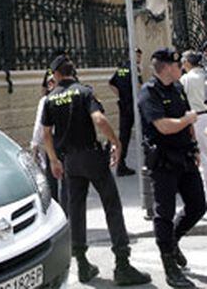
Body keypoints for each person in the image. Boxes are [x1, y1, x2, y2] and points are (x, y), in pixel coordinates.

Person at [42, 54, 151, 286]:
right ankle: (122, 264)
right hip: (92, 156)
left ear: (56, 75)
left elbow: (45, 134)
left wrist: (53, 160)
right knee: (112, 205)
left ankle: (82, 264)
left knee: (76, 209)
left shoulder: (50, 99)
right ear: (72, 71)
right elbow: (99, 119)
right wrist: (116, 142)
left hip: (70, 160)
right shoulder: (84, 92)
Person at [138, 48, 206, 288]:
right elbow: (163, 126)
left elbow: (186, 119)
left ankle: (173, 240)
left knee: (198, 205)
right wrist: (187, 120)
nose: (181, 68)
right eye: (177, 65)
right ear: (166, 68)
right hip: (164, 162)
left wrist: (195, 147)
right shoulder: (149, 93)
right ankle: (169, 266)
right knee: (163, 213)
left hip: (185, 157)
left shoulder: (178, 88)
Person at [109, 47, 143, 176]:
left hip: (124, 105)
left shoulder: (122, 68)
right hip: (133, 105)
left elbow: (111, 83)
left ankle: (120, 164)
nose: (139, 59)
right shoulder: (135, 69)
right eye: (138, 56)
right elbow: (139, 87)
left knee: (124, 136)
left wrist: (121, 95)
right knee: (144, 133)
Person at [180, 51, 207, 207]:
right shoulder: (204, 75)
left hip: (195, 119)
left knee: (202, 156)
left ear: (188, 63)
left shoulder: (186, 79)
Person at [30, 69, 59, 200]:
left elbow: (39, 126)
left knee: (52, 174)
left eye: (52, 81)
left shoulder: (46, 100)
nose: (50, 84)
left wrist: (34, 145)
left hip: (53, 141)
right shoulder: (69, 95)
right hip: (60, 140)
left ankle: (57, 204)